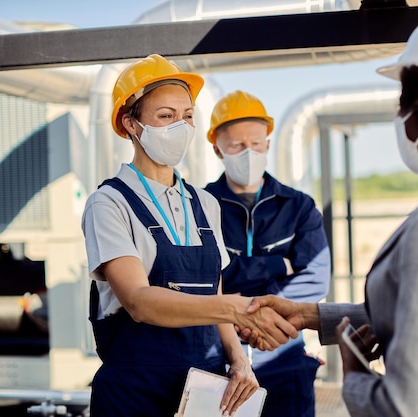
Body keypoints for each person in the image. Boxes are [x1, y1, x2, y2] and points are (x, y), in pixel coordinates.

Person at [243, 6, 418, 417]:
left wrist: (354, 370)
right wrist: (310, 315)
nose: (399, 117)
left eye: (402, 101)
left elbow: (406, 407)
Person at [81, 54, 297, 417]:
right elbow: (139, 301)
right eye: (166, 116)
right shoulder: (108, 203)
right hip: (134, 395)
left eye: (187, 116)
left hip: (202, 392)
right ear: (131, 123)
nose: (180, 127)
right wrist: (238, 310)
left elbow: (213, 292)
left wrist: (239, 358)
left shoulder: (205, 204)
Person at [204, 90, 331, 417]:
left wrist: (265, 324)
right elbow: (202, 280)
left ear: (268, 145)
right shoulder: (199, 207)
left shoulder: (298, 206)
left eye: (256, 145)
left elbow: (315, 280)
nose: (249, 153)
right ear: (218, 149)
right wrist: (278, 263)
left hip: (284, 357)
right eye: (237, 146)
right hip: (216, 361)